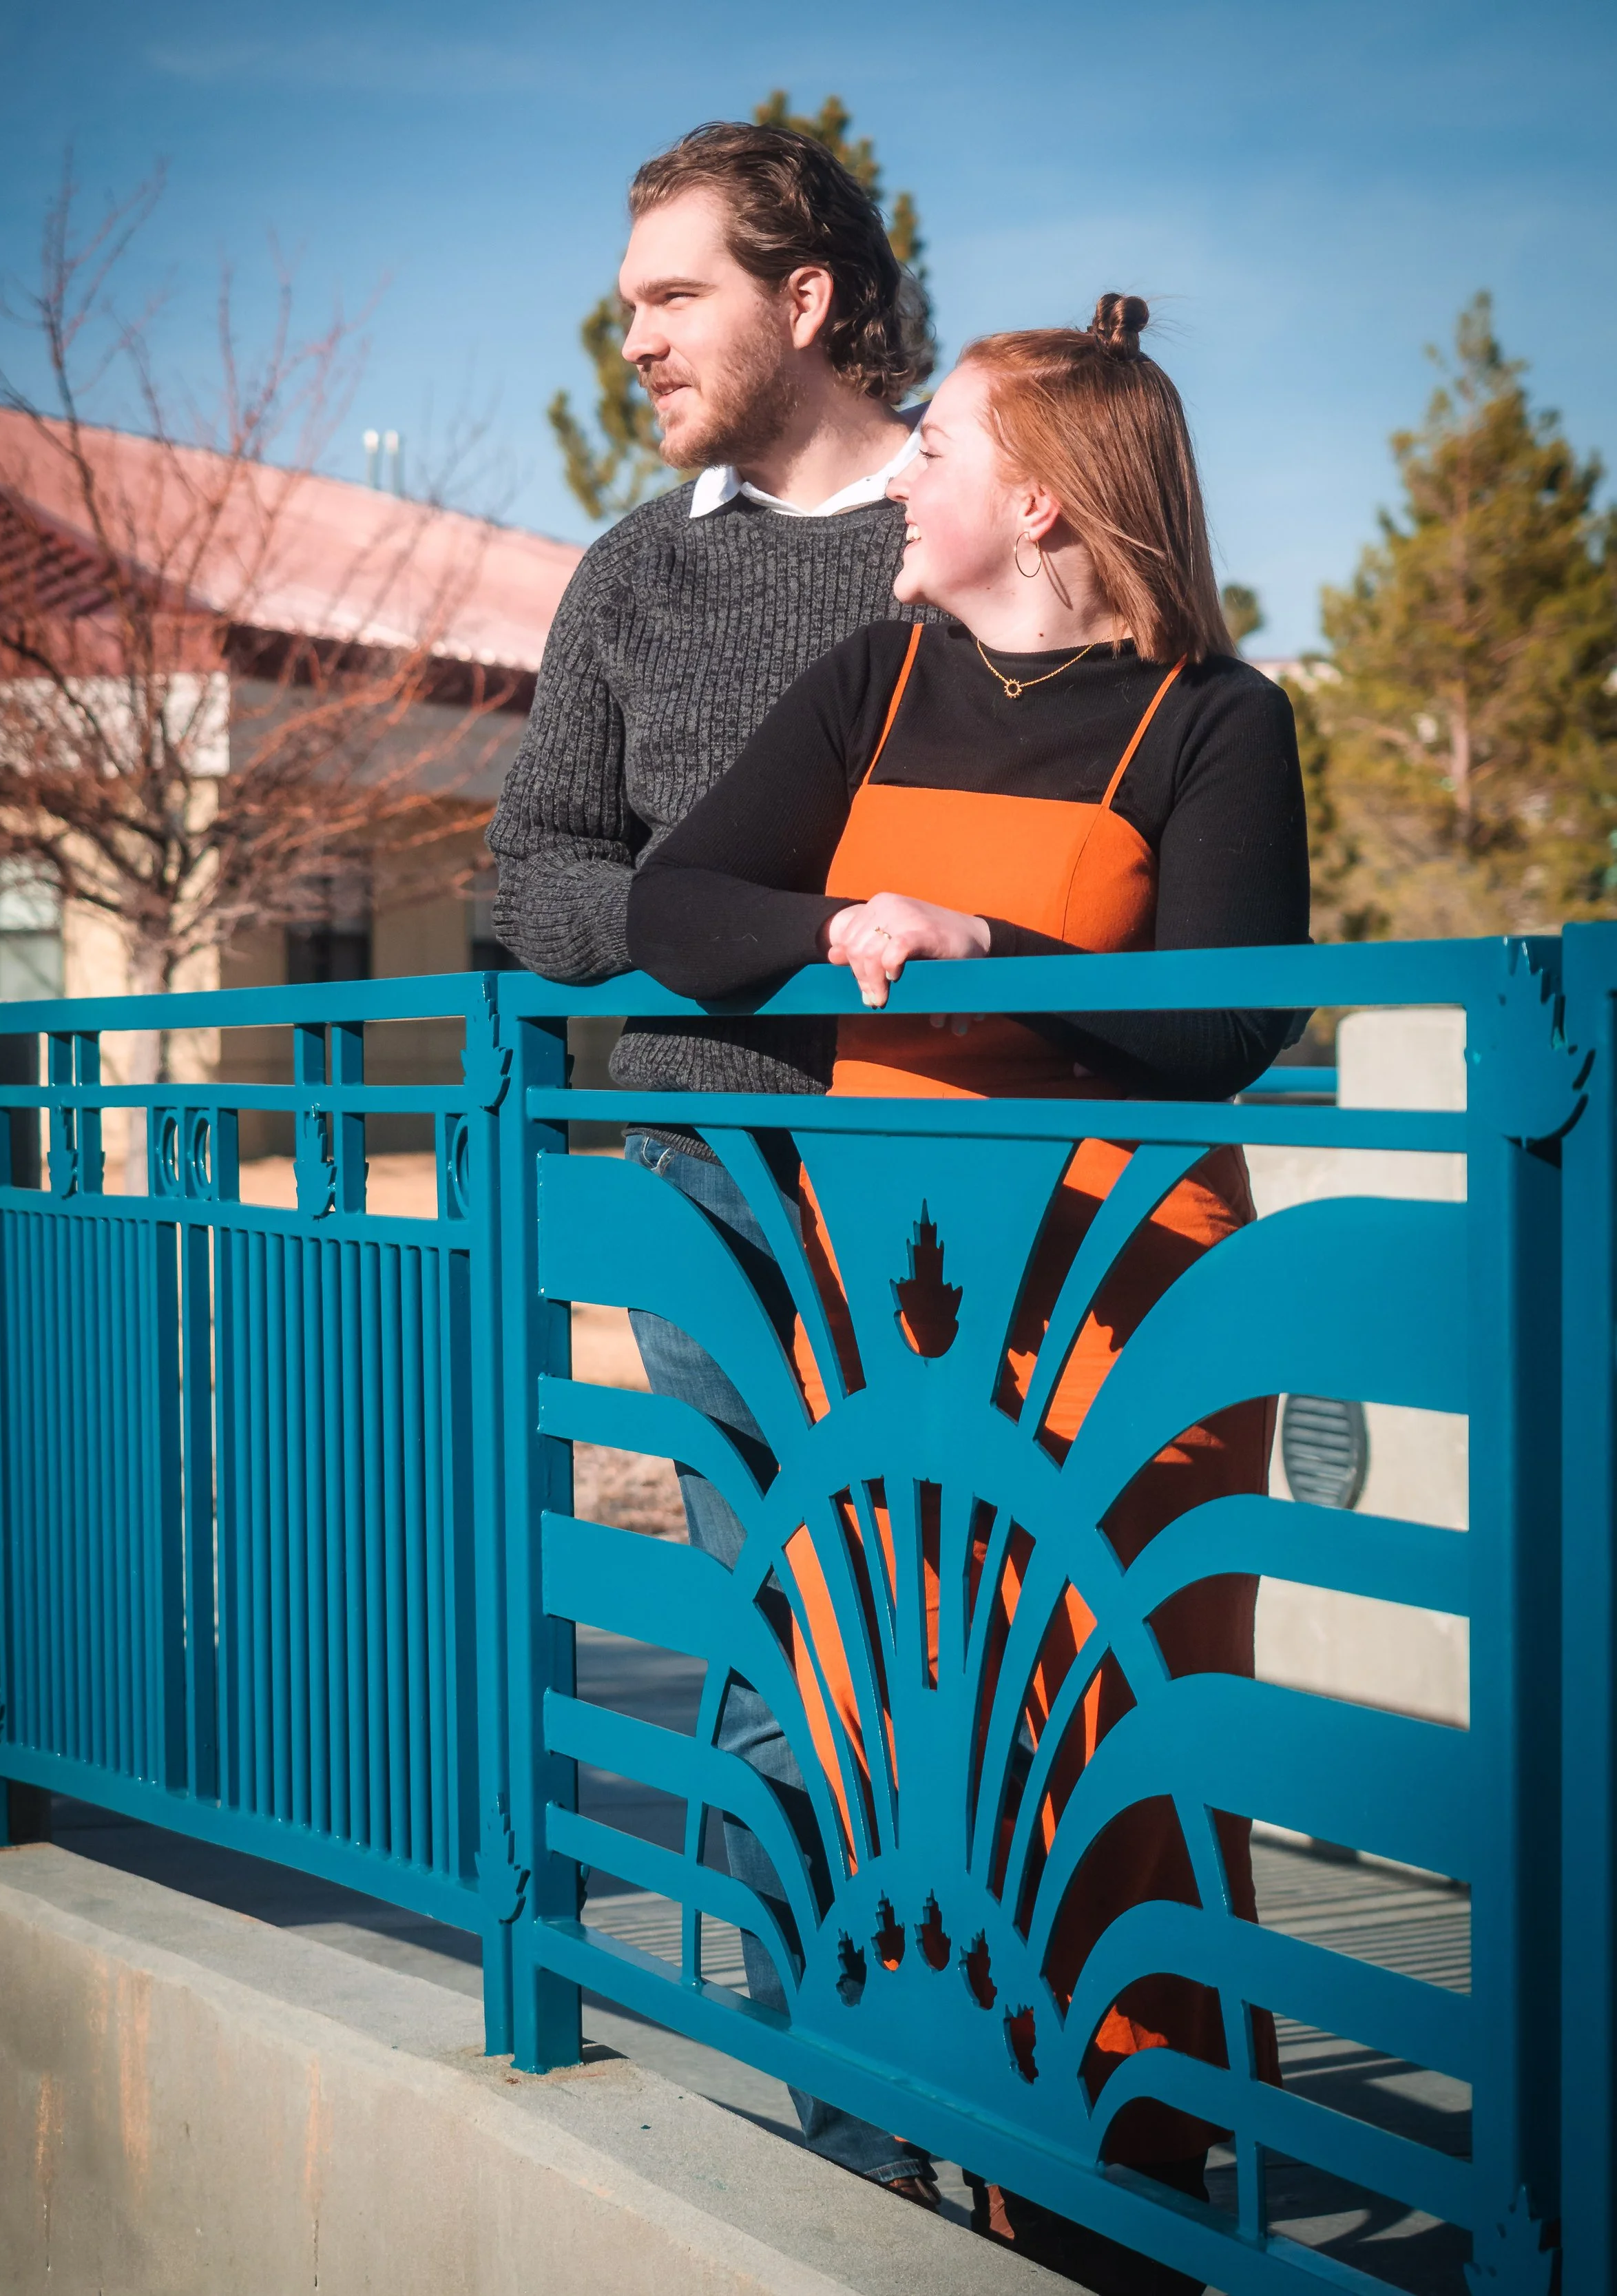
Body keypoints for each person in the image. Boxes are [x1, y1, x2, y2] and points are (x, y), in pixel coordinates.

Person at [628, 296, 1308, 2295]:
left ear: (1037, 493)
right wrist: (844, 920)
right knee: (896, 1727)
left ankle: (1155, 2190)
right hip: (889, 1320)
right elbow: (680, 907)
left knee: (1111, 1733)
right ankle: (943, 2146)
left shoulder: (1213, 715)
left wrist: (966, 941)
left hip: (1131, 1315)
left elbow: (1225, 1021)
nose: (899, 476)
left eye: (934, 449)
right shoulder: (874, 669)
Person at [489, 121, 943, 2204]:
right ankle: (860, 2139)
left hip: (965, 1170)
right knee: (783, 1660)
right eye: (628, 295)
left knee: (969, 1642)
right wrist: (748, 909)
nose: (633, 329)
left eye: (672, 292)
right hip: (706, 1181)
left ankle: (1044, 2125)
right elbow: (526, 873)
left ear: (808, 297)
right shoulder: (633, 571)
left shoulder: (967, 531)